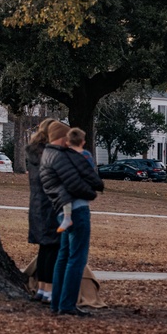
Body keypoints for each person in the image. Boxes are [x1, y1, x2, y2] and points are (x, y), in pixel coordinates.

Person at [40, 122, 104, 317]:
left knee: (63, 257)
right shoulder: (61, 156)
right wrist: (92, 192)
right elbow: (74, 183)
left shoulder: (48, 155)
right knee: (76, 258)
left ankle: (57, 303)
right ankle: (67, 305)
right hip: (77, 210)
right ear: (61, 137)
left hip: (63, 210)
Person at [27, 118, 59, 303]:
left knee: (44, 249)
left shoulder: (34, 152)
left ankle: (41, 290)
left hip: (37, 204)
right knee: (52, 249)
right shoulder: (49, 154)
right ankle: (48, 291)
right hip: (50, 206)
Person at [57, 128, 94, 233]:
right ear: (83, 142)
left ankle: (67, 217)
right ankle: (67, 218)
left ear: (68, 141)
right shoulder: (86, 155)